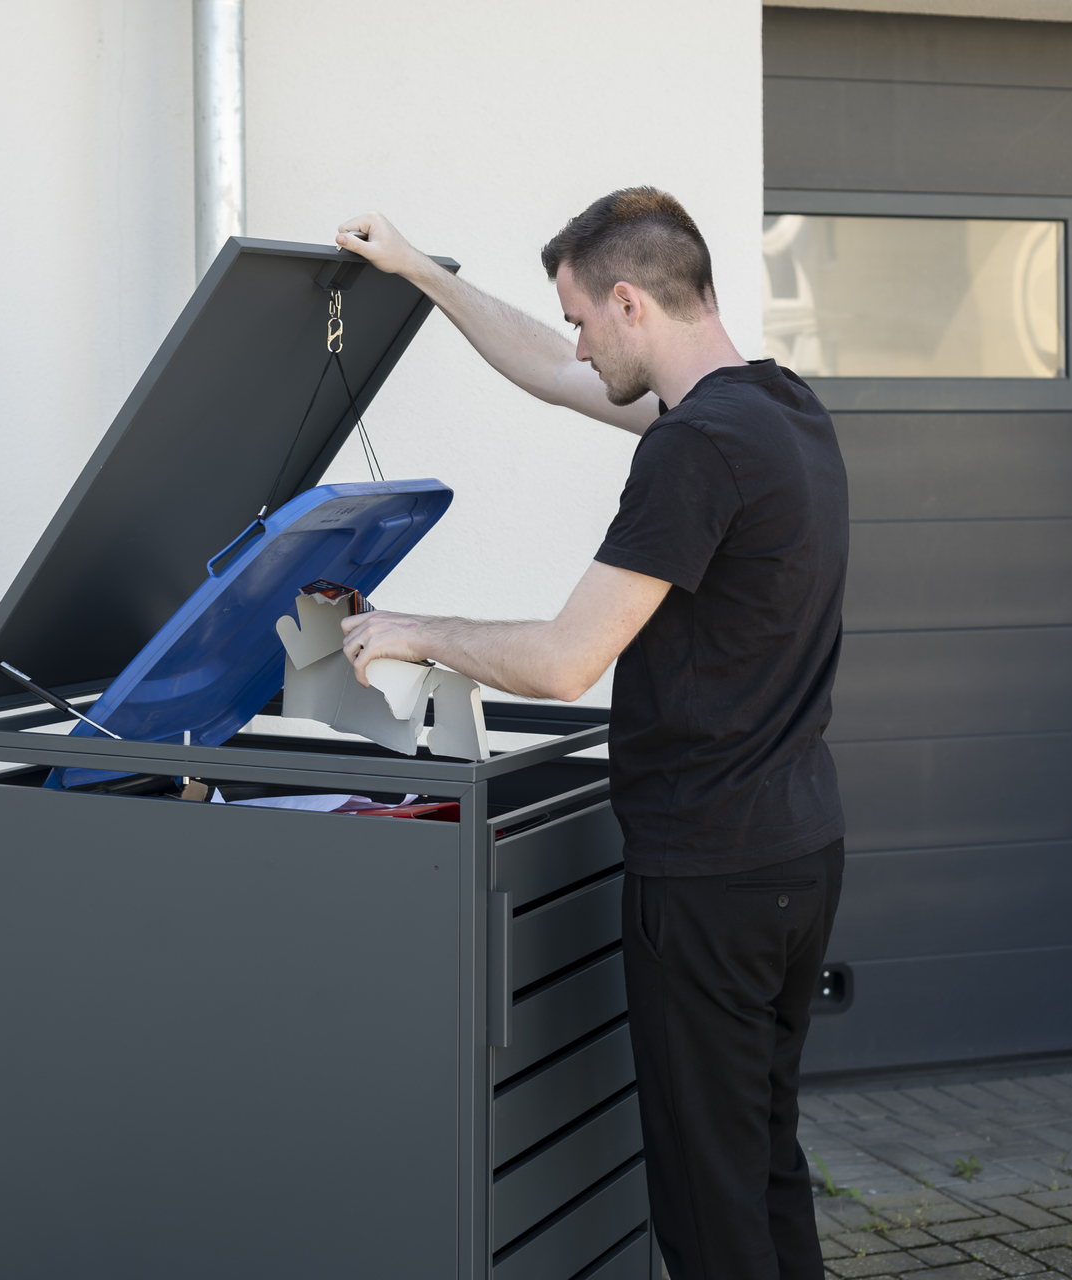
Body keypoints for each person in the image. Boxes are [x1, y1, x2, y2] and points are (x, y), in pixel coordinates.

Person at [333, 189, 847, 1280]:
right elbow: (554, 375)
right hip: (797, 856)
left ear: (628, 302)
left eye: (579, 318)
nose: (574, 343)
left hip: (709, 876)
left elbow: (568, 660)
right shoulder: (779, 409)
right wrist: (421, 273)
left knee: (708, 1210)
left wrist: (414, 629)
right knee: (764, 1164)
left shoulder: (692, 451)